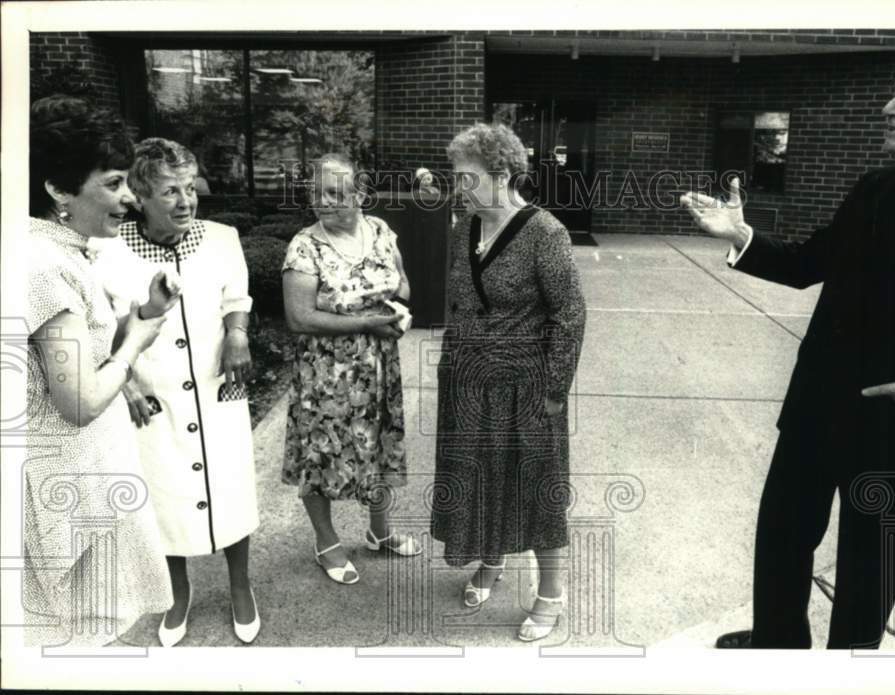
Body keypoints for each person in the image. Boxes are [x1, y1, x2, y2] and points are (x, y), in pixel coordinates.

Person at [680, 48, 895, 649]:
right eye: (893, 93)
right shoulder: (875, 187)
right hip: (817, 402)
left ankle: (849, 666)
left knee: (871, 553)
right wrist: (741, 236)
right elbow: (811, 261)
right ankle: (779, 645)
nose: (888, 109)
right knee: (783, 533)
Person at [23, 95, 178, 647]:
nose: (129, 199)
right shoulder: (43, 266)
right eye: (113, 183)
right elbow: (81, 401)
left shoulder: (63, 254)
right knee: (76, 643)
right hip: (69, 495)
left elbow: (74, 362)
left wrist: (139, 317)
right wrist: (136, 342)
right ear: (58, 190)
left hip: (86, 482)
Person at [96, 138, 261, 646]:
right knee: (163, 498)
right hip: (153, 396)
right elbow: (102, 329)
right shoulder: (109, 252)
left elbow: (237, 296)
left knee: (231, 487)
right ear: (141, 196)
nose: (186, 201)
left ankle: (240, 587)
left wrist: (237, 333)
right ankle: (178, 593)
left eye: (190, 189)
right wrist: (125, 388)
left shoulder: (222, 238)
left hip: (218, 388)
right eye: (170, 192)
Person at [430, 123, 586, 642]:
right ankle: (491, 564)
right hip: (468, 382)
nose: (458, 186)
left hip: (527, 386)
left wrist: (554, 389)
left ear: (501, 174)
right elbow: (460, 303)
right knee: (479, 477)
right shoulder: (464, 228)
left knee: (536, 487)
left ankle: (550, 594)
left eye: (466, 176)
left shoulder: (545, 231)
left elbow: (569, 314)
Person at [282, 152, 422, 587]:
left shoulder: (381, 230)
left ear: (360, 195)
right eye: (317, 192)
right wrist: (367, 319)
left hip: (379, 366)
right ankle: (326, 542)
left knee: (379, 447)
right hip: (327, 374)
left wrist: (394, 308)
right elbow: (299, 318)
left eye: (336, 194)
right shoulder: (304, 246)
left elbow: (403, 285)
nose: (324, 201)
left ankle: (379, 533)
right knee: (322, 452)